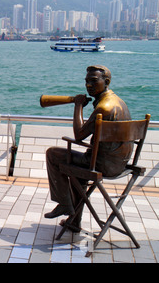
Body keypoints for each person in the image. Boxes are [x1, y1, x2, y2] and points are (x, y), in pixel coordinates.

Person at [44, 65, 133, 228]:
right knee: (78, 174)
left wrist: (78, 105)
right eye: (86, 81)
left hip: (102, 165)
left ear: (106, 82)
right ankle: (75, 222)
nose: (88, 85)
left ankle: (64, 203)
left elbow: (79, 135)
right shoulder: (119, 102)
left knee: (52, 154)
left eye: (93, 81)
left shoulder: (104, 107)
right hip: (120, 163)